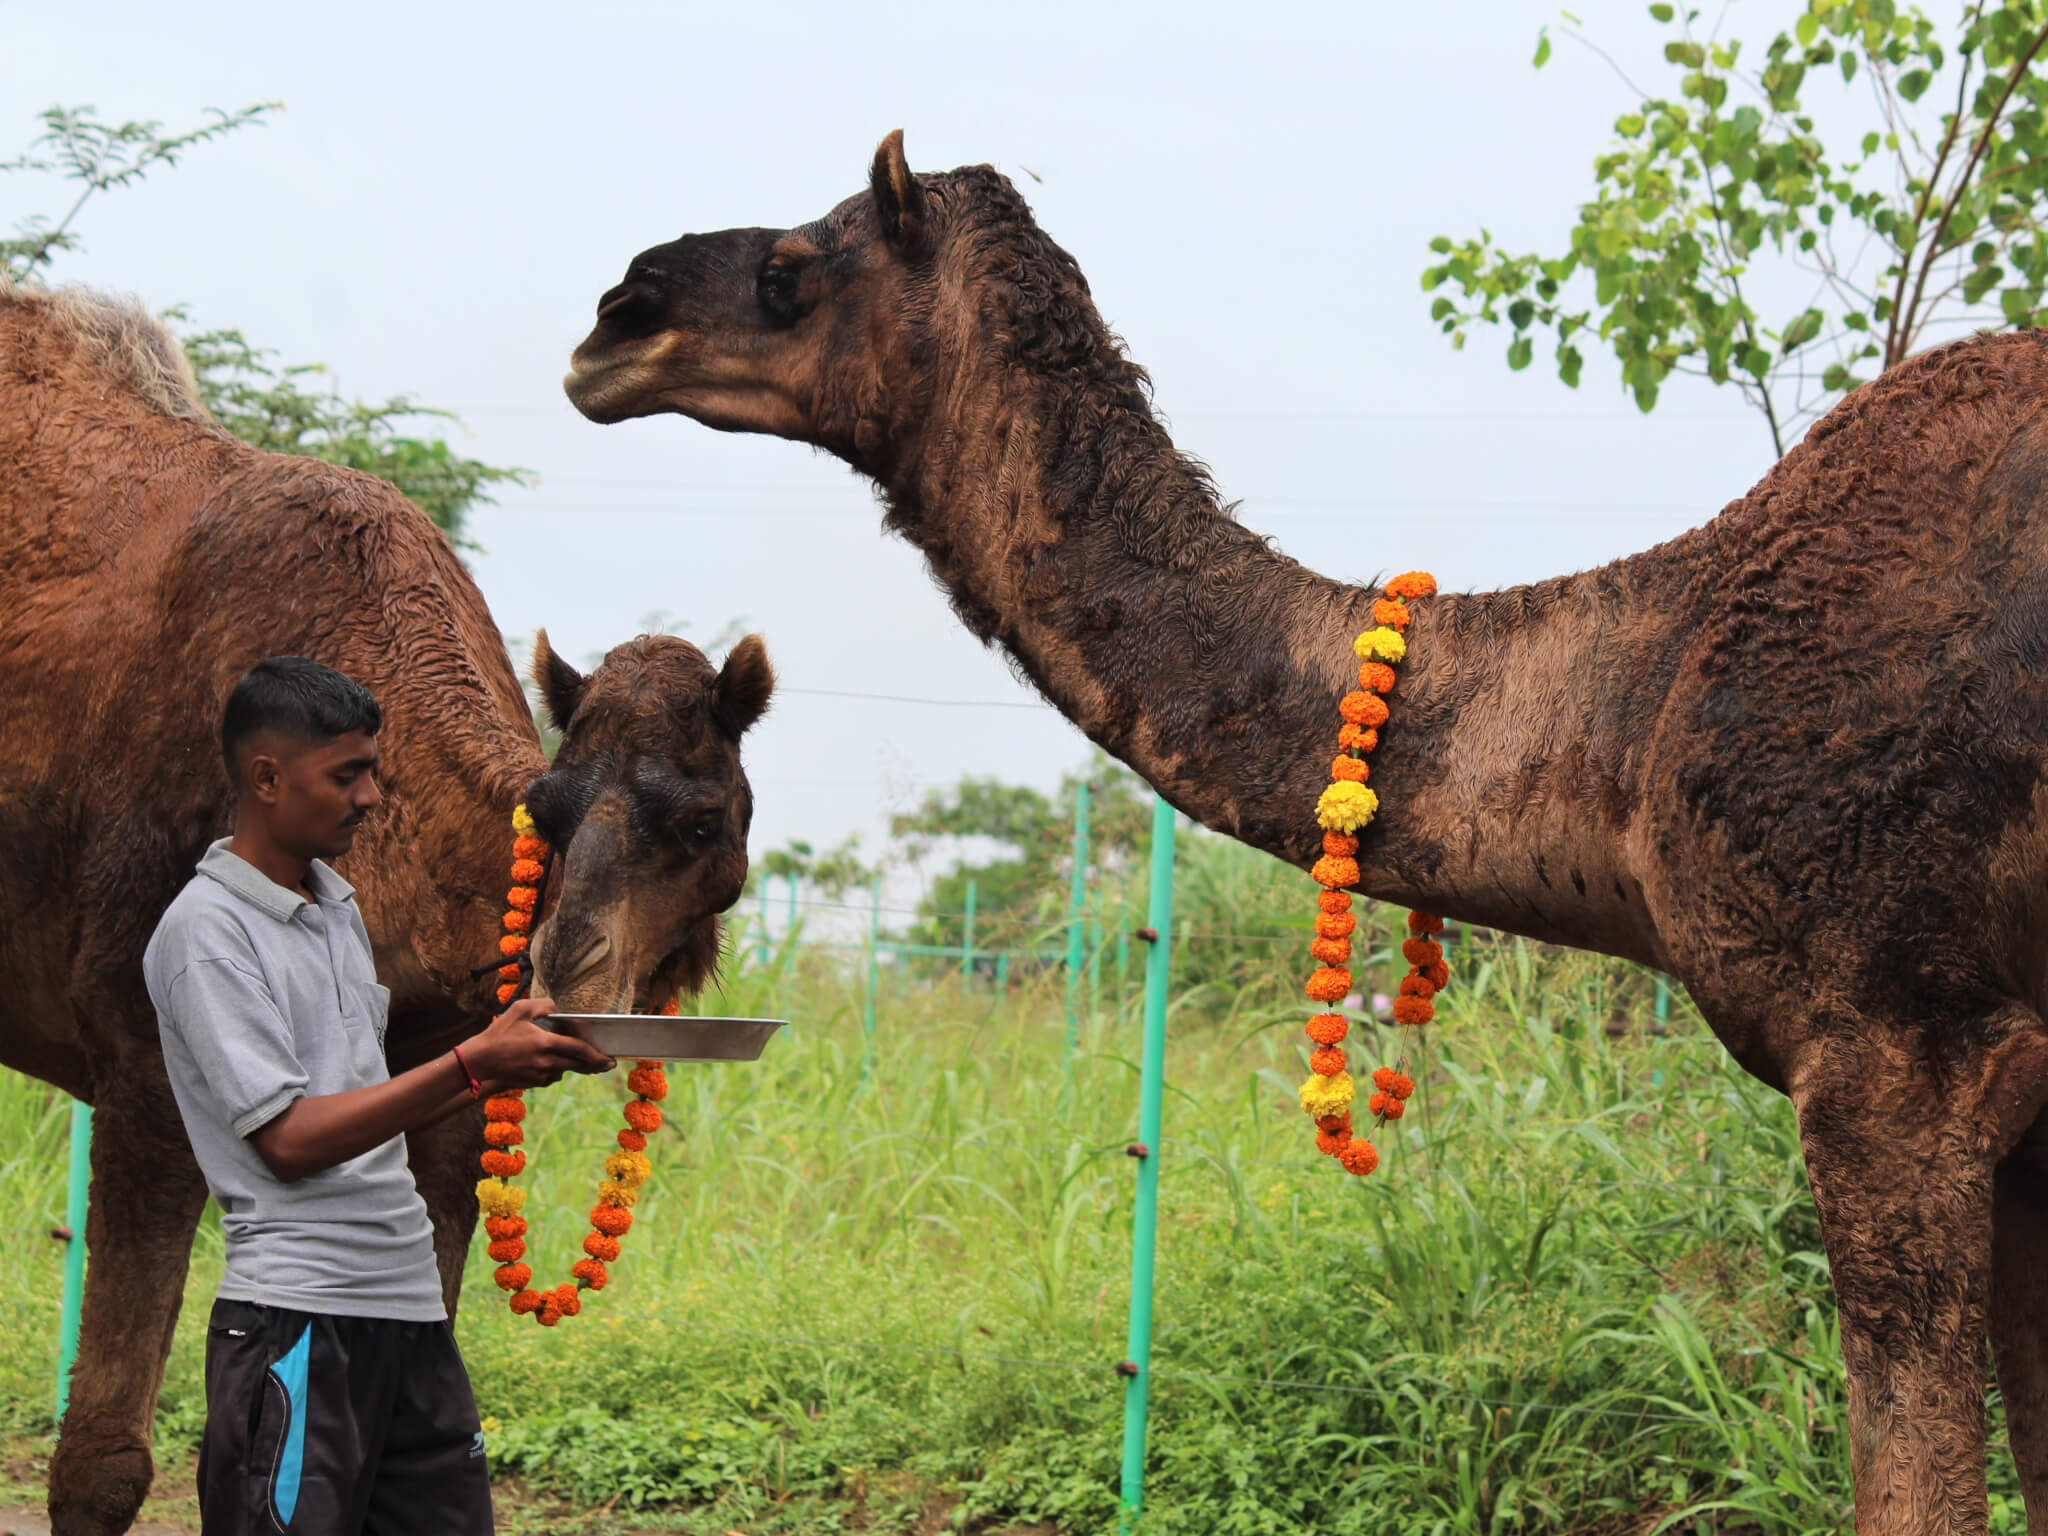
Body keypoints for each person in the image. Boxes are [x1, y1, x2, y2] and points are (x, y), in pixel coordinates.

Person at [143, 656, 613, 1536]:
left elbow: (365, 1090)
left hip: (408, 1312)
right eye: (347, 774)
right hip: (296, 1322)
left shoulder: (334, 909)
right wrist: (476, 1066)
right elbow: (287, 1139)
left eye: (372, 771)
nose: (371, 797)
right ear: (268, 777)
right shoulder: (206, 936)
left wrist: (521, 1043)